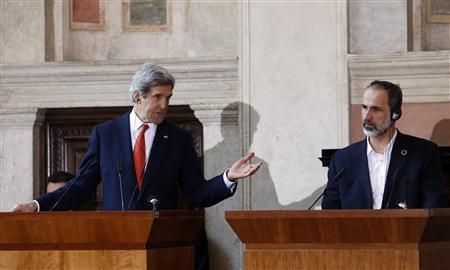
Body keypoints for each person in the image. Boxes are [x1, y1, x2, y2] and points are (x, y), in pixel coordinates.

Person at [322, 80, 447, 209]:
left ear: (395, 114)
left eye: (376, 109)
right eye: (364, 107)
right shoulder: (342, 160)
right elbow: (328, 213)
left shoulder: (423, 153)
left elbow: (434, 208)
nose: (367, 116)